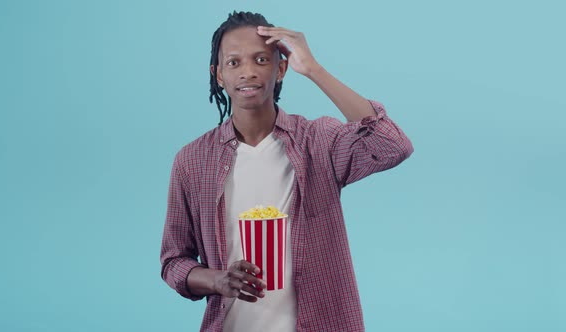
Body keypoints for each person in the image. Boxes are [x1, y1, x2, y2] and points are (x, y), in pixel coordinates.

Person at [160, 11, 413, 332]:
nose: (248, 72)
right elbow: (174, 262)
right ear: (218, 74)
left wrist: (314, 70)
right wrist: (218, 279)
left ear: (281, 68)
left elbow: (392, 144)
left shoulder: (318, 141)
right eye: (234, 62)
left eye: (261, 60)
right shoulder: (193, 161)